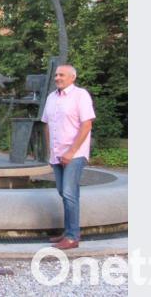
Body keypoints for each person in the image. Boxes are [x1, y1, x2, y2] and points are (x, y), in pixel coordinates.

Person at [41, 64, 95, 250]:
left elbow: (86, 125)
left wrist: (71, 152)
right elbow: (47, 124)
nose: (57, 77)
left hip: (74, 154)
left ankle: (72, 237)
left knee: (69, 193)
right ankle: (69, 231)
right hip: (57, 155)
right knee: (64, 193)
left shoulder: (81, 95)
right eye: (56, 74)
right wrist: (51, 150)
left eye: (61, 75)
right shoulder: (51, 98)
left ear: (72, 77)